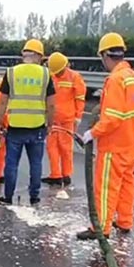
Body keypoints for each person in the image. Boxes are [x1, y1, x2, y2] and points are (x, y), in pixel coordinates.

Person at [77, 33, 134, 240]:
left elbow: (113, 118)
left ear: (105, 56)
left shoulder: (115, 80)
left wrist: (92, 133)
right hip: (130, 144)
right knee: (127, 185)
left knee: (106, 187)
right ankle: (124, 222)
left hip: (113, 147)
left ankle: (101, 228)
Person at [0, 39, 55, 205]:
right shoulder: (45, 74)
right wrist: (50, 124)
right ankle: (34, 196)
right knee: (36, 163)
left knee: (11, 163)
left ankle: (8, 196)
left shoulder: (11, 73)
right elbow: (51, 103)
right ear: (38, 56)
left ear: (25, 54)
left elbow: (2, 101)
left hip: (15, 127)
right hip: (37, 126)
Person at [42, 52, 86, 186]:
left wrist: (78, 116)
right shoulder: (50, 76)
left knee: (65, 148)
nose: (59, 74)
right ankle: (56, 175)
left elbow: (80, 98)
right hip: (52, 119)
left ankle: (66, 175)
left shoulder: (74, 77)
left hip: (67, 119)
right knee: (51, 147)